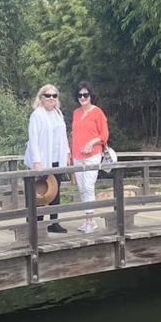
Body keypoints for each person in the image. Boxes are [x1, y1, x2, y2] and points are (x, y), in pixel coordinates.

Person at [24, 84, 71, 234]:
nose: (51, 99)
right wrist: (37, 162)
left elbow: (63, 137)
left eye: (54, 96)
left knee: (55, 190)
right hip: (43, 159)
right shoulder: (37, 114)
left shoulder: (58, 114)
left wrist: (68, 153)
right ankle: (36, 223)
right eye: (48, 95)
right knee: (40, 191)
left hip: (57, 158)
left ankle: (54, 222)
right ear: (41, 97)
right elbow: (33, 140)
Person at [71, 81, 109, 233]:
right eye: (80, 95)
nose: (82, 97)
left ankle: (90, 220)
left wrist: (92, 142)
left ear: (90, 95)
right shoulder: (76, 113)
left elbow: (104, 135)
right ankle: (88, 219)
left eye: (85, 94)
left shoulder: (98, 112)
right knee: (81, 188)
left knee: (88, 186)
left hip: (93, 154)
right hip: (77, 155)